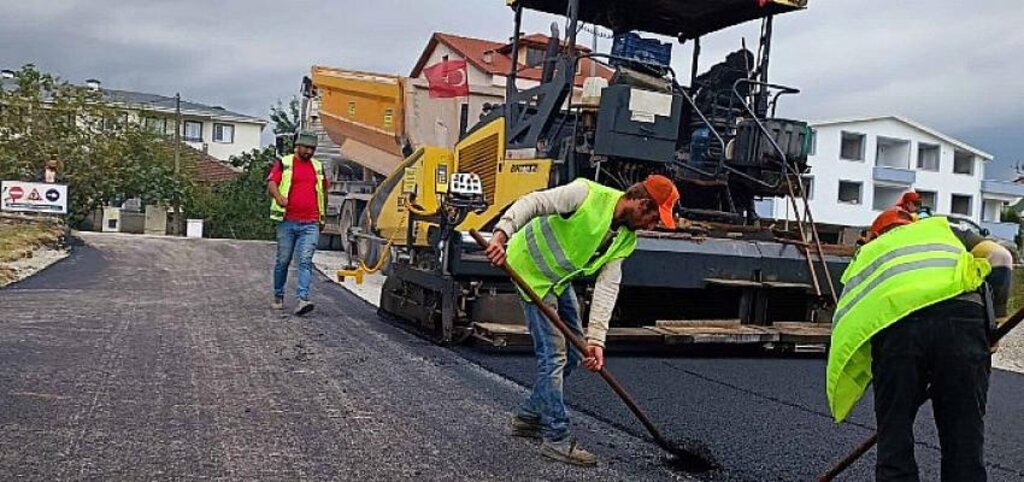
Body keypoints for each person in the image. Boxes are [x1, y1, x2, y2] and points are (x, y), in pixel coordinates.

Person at [484, 175, 679, 466]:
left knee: (576, 353)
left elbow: (607, 286)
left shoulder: (626, 239)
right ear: (641, 204)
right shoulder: (585, 194)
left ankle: (528, 416)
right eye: (654, 219)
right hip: (529, 271)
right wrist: (500, 236)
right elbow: (533, 202)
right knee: (554, 357)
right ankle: (557, 439)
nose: (652, 226)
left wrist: (597, 341)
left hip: (558, 282)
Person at [827, 210, 1013, 481]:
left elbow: (852, 323)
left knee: (894, 436)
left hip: (897, 326)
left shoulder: (868, 253)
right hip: (962, 320)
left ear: (874, 235)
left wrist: (888, 379)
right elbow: (1000, 257)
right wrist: (995, 324)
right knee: (964, 436)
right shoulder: (943, 229)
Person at [267, 130, 329, 315]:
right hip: (287, 221)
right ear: (298, 146)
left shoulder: (318, 167)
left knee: (305, 260)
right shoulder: (284, 163)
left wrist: (322, 217)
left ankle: (303, 299)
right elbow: (271, 183)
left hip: (310, 222)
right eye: (306, 148)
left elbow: (323, 192)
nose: (309, 151)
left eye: (312, 149)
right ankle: (278, 295)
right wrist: (279, 197)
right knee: (283, 260)